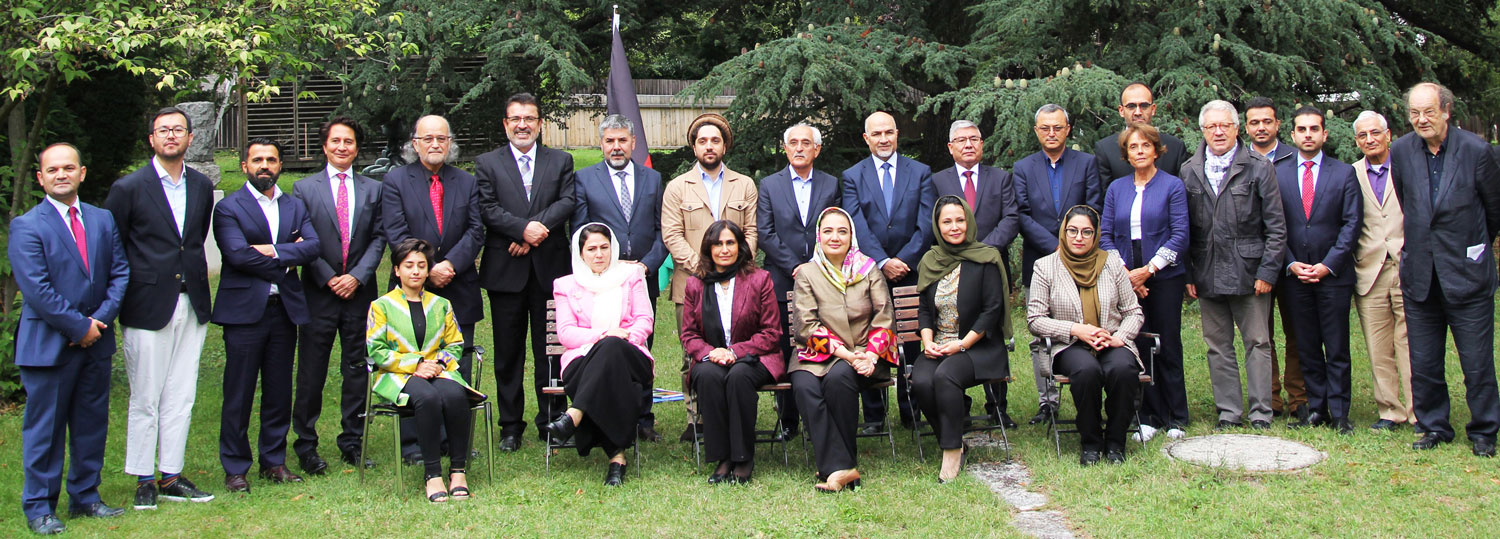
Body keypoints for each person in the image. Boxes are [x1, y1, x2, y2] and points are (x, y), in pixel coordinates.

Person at [12, 143, 130, 535]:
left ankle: (85, 497)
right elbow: (37, 289)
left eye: (69, 168)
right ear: (40, 177)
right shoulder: (27, 225)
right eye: (53, 169)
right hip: (49, 347)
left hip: (96, 343)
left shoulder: (101, 219)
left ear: (81, 173)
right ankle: (40, 507)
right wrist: (79, 327)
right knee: (45, 431)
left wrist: (98, 322)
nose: (61, 174)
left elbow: (119, 274)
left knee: (90, 425)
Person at [105, 106, 217, 508]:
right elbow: (115, 247)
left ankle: (171, 474)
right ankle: (142, 478)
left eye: (179, 130)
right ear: (151, 139)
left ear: (190, 138)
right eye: (163, 130)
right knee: (146, 395)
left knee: (181, 393)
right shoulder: (129, 188)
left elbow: (192, 241)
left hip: (193, 300)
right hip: (147, 303)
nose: (171, 135)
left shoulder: (202, 186)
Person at [1390, 82, 1500, 457]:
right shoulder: (1401, 152)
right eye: (1414, 113)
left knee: (1477, 362)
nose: (1421, 120)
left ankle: (1484, 430)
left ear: (1447, 111)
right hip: (1421, 275)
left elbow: (1493, 211)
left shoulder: (1477, 151)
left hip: (1467, 274)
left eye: (1429, 112)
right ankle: (1435, 426)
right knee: (1424, 362)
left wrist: (1472, 248)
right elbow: (1409, 204)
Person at [211, 138, 322, 492]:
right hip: (244, 314)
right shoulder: (229, 208)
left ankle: (273, 461)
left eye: (271, 160)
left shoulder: (293, 205)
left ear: (280, 166)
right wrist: (288, 258)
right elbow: (237, 256)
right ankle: (235, 467)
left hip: (283, 311)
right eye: (257, 159)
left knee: (278, 391)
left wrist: (272, 250)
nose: (265, 165)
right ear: (245, 166)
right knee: (239, 392)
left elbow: (315, 247)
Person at [474, 93, 577, 451]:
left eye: (529, 119)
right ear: (505, 124)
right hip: (506, 271)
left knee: (551, 350)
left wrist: (532, 232)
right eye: (515, 118)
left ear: (539, 124)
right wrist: (522, 231)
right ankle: (510, 426)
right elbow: (487, 208)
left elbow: (567, 202)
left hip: (550, 270)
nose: (522, 125)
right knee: (508, 352)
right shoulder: (487, 163)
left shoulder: (560, 160)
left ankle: (551, 419)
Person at [380, 115, 486, 462]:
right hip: (411, 289)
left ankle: (455, 442)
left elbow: (475, 230)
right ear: (415, 143)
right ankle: (414, 444)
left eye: (442, 138)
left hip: (459, 285)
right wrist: (426, 269)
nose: (436, 144)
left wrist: (449, 265)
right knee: (413, 364)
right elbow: (396, 232)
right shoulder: (396, 181)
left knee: (457, 365)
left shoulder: (466, 182)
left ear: (450, 142)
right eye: (428, 139)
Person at [1180, 100, 1287, 430]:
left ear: (1236, 128)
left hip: (1250, 272)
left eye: (1224, 125)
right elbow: (1184, 228)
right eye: (1211, 126)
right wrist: (1188, 273)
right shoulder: (1189, 170)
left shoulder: (1258, 166)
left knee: (1258, 343)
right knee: (1217, 346)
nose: (1218, 132)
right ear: (1202, 131)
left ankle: (1260, 413)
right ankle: (1228, 412)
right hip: (1207, 271)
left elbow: (1276, 226)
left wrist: (1268, 271)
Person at [291, 117, 384, 473]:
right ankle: (306, 444)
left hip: (360, 294)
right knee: (312, 371)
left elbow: (379, 238)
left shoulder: (373, 189)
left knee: (358, 368)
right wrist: (330, 278)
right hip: (319, 292)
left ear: (357, 148)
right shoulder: (303, 188)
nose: (342, 147)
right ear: (325, 145)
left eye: (349, 141)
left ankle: (353, 440)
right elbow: (301, 236)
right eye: (336, 141)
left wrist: (357, 277)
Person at [662, 113, 759, 441]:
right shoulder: (677, 188)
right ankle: (696, 420)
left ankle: (731, 412)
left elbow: (751, 231)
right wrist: (703, 269)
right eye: (702, 140)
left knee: (734, 346)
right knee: (694, 353)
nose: (709, 145)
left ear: (724, 145)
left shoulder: (744, 184)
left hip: (738, 283)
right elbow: (672, 235)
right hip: (691, 284)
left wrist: (738, 266)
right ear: (693, 147)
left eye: (715, 140)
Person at [366, 239, 486, 502]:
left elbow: (455, 343)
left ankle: (458, 471)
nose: (416, 271)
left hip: (437, 370)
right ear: (397, 270)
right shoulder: (381, 306)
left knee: (455, 395)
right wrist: (415, 365)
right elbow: (376, 350)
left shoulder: (440, 304)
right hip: (397, 374)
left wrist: (438, 364)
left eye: (421, 265)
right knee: (428, 398)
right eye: (409, 266)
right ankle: (432, 475)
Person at [571, 114, 667, 442]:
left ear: (633, 143)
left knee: (640, 347)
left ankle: (643, 417)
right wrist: (599, 267)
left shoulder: (652, 179)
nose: (616, 147)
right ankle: (604, 412)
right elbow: (580, 232)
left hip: (641, 277)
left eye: (622, 140)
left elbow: (662, 231)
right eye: (610, 141)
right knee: (602, 346)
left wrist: (646, 266)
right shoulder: (584, 179)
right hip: (602, 281)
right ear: (601, 144)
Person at [789, 208, 897, 493]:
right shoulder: (808, 273)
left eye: (842, 231)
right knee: (804, 386)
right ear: (818, 236)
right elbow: (806, 325)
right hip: (815, 354)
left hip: (865, 353)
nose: (834, 237)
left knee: (839, 380)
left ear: (852, 236)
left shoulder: (868, 269)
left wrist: (870, 355)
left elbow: (884, 317)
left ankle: (836, 467)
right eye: (828, 231)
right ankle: (843, 467)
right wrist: (847, 355)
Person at [1028, 205, 1145, 465]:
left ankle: (1115, 443)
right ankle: (1090, 442)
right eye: (1073, 231)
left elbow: (1133, 311)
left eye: (1086, 232)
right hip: (1069, 345)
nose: (1079, 237)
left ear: (1095, 235)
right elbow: (1035, 320)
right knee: (1087, 371)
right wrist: (1075, 329)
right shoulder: (1045, 267)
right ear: (1064, 233)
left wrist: (1120, 338)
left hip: (1110, 340)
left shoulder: (1112, 264)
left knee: (1123, 370)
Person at [842, 110, 935, 432]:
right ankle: (874, 415)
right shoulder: (853, 176)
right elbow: (856, 225)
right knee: (871, 339)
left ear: (897, 134)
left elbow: (926, 224)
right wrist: (882, 262)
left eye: (889, 133)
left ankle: (911, 412)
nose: (883, 139)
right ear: (866, 139)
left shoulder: (920, 172)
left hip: (911, 272)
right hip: (870, 274)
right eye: (876, 134)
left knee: (910, 341)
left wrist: (903, 260)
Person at [544, 224, 655, 486]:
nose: (599, 254)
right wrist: (605, 336)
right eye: (591, 249)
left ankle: (575, 413)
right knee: (610, 356)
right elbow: (567, 333)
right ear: (580, 253)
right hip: (582, 361)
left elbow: (644, 320)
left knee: (614, 348)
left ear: (613, 249)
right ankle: (617, 458)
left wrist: (624, 337)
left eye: (604, 247)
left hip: (631, 356)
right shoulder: (565, 285)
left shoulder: (631, 276)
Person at [1274, 106, 1362, 435]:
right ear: (1293, 135)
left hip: (1333, 275)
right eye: (1302, 129)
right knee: (1306, 344)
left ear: (1325, 134)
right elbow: (1273, 224)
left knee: (1336, 344)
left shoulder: (1343, 173)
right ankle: (1316, 407)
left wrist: (1329, 265)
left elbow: (1352, 224)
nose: (1308, 134)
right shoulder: (1279, 173)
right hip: (1295, 274)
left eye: (1314, 129)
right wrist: (1290, 262)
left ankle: (1340, 412)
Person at [911, 196, 1011, 483]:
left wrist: (962, 344)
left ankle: (952, 450)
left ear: (969, 221)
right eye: (947, 222)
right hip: (939, 343)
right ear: (937, 226)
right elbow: (925, 309)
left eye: (959, 220)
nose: (954, 227)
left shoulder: (986, 258)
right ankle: (953, 436)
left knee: (945, 376)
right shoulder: (931, 261)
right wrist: (928, 341)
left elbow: (992, 311)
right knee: (921, 381)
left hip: (977, 346)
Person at [1099, 123, 1189, 441]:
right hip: (1125, 278)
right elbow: (1106, 233)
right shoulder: (1117, 189)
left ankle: (1176, 416)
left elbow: (1180, 234)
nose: (1139, 152)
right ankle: (1148, 415)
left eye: (1145, 146)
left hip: (1163, 276)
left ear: (1156, 150)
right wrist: (1126, 274)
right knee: (1138, 344)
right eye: (1133, 147)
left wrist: (1148, 270)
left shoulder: (1172, 186)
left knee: (1167, 343)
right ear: (1126, 154)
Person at [1015, 104, 1102, 425]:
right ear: (1036, 131)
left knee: (1085, 327)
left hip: (1083, 262)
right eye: (1044, 128)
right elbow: (1022, 214)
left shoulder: (1087, 163)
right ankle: (1047, 402)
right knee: (1042, 334)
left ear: (1067, 129)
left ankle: (1087, 391)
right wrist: (1055, 247)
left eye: (1057, 127)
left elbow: (1093, 206)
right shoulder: (1023, 167)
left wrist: (1071, 245)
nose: (1051, 133)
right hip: (1041, 262)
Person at [680, 220, 784, 484]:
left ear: (741, 247)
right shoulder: (695, 284)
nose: (724, 249)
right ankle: (723, 457)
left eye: (730, 243)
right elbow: (689, 335)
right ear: (708, 248)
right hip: (712, 357)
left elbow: (771, 333)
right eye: (718, 244)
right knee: (707, 375)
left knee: (738, 376)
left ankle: (743, 457)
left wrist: (734, 352)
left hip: (757, 356)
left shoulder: (759, 279)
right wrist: (712, 352)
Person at [758, 122, 841, 436]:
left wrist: (817, 266)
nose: (799, 148)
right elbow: (765, 233)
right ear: (785, 147)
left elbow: (835, 229)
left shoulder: (831, 184)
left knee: (823, 343)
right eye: (793, 142)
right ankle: (788, 419)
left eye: (806, 143)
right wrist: (796, 266)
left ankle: (821, 414)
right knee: (783, 348)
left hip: (824, 280)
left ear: (817, 149)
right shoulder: (770, 185)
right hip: (782, 279)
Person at [934, 120, 1019, 426]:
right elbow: (935, 223)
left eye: (974, 139)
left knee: (990, 328)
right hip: (951, 268)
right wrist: (964, 253)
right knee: (956, 328)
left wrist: (982, 251)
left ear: (982, 144)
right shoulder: (937, 181)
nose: (968, 144)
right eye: (961, 140)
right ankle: (962, 404)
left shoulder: (1000, 178)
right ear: (950, 147)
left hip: (991, 265)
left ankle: (998, 406)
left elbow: (1011, 217)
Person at [1349, 110, 1415, 431]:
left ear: (1388, 135)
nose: (1370, 140)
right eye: (1363, 135)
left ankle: (1419, 411)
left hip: (1407, 266)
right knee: (1378, 346)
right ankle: (1390, 410)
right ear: (1356, 141)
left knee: (1411, 343)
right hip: (1369, 270)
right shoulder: (1351, 174)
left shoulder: (1407, 169)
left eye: (1375, 133)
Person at [1245, 97, 1307, 423]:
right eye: (1254, 122)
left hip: (1294, 258)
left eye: (1267, 121)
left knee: (1296, 332)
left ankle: (1299, 399)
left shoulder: (1295, 158)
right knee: (1261, 334)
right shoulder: (1239, 161)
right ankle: (1270, 398)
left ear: (1278, 124)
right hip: (1257, 261)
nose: (1261, 127)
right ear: (1246, 127)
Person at [1092, 82, 1189, 190]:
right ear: (1121, 111)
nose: (1138, 112)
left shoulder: (1175, 147)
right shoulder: (1106, 149)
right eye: (1131, 106)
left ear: (1153, 109)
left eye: (1144, 105)